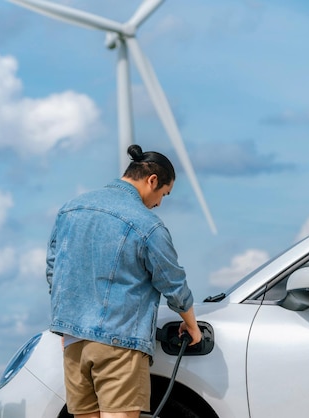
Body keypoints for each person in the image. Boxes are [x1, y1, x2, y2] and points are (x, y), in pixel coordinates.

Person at [46, 145, 202, 418]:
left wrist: (67, 325)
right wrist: (192, 326)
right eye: (163, 194)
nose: (159, 204)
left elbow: (54, 271)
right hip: (119, 343)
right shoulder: (146, 223)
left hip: (73, 341)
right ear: (152, 180)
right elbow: (172, 282)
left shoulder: (70, 210)